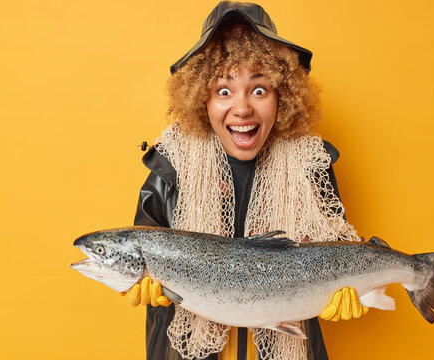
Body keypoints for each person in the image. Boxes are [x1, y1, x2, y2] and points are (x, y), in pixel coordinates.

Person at [130, 2, 367, 359]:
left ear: (282, 97)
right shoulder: (172, 165)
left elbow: (334, 251)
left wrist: (355, 288)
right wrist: (137, 281)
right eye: (223, 91)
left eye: (259, 89)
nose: (242, 108)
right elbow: (136, 250)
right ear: (201, 99)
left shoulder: (310, 165)